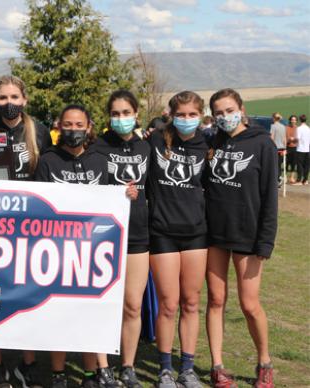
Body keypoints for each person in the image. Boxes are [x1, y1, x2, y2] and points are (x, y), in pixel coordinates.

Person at [35, 104, 136, 388]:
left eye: (79, 125)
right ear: (58, 126)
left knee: (91, 309)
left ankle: (92, 372)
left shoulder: (99, 160)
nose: (73, 130)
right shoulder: (48, 161)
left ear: (89, 127)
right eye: (68, 124)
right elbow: (40, 205)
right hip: (56, 248)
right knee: (58, 311)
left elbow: (110, 200)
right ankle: (58, 372)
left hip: (92, 248)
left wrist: (127, 193)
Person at [0, 74, 51, 388]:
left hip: (31, 227)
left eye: (14, 97)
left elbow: (50, 176)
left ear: (25, 99)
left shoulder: (40, 132)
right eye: (3, 98)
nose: (9, 103)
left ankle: (27, 363)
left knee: (28, 296)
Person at [204, 88, 278, 388]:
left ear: (242, 108)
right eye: (219, 112)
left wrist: (265, 241)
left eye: (229, 110)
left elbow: (270, 196)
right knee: (216, 300)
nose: (225, 116)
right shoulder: (213, 141)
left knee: (249, 305)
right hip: (214, 235)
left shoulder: (262, 143)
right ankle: (217, 366)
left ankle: (264, 362)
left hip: (248, 237)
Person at [147, 91, 208, 388]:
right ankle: (165, 369)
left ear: (201, 115)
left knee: (192, 302)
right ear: (171, 114)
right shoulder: (155, 140)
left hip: (197, 232)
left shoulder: (208, 143)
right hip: (162, 232)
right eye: (180, 114)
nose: (186, 120)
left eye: (192, 114)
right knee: (168, 304)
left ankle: (188, 368)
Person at [94, 90, 150, 388]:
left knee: (131, 305)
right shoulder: (97, 146)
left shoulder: (147, 147)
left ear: (136, 114)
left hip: (138, 234)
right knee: (101, 302)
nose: (121, 119)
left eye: (126, 113)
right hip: (103, 234)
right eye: (115, 114)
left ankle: (128, 366)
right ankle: (103, 367)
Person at [269, 112, 287, 186]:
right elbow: (284, 138)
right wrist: (285, 148)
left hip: (275, 148)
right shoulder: (283, 126)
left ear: (273, 118)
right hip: (282, 148)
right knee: (279, 165)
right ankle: (279, 178)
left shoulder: (273, 126)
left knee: (274, 165)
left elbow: (272, 138)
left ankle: (278, 179)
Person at [294, 114, 310, 185]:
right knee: (307, 165)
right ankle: (305, 180)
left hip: (300, 149)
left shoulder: (299, 128)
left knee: (299, 165)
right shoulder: (308, 128)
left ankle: (299, 180)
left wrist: (293, 140)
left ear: (300, 120)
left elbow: (297, 138)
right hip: (308, 149)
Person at [285, 115, 298, 180]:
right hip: (288, 147)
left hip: (295, 147)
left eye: (294, 120)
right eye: (292, 119)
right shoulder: (286, 128)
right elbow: (285, 137)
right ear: (290, 120)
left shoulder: (297, 128)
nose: (293, 121)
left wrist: (294, 139)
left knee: (293, 163)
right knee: (287, 162)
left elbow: (298, 138)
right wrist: (289, 139)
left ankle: (292, 177)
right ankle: (285, 177)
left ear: (296, 121)